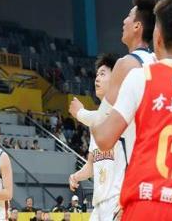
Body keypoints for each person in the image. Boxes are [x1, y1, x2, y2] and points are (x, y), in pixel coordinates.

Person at [92, 0, 172, 221]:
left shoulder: (138, 75)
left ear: (158, 36)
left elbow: (103, 137)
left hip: (144, 199)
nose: (124, 21)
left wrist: (90, 115)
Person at [70, 0, 157, 166]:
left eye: (129, 16)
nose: (124, 21)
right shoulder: (156, 61)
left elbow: (102, 125)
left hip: (140, 167)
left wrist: (80, 113)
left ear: (137, 26)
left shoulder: (126, 64)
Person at [69, 53, 123, 220]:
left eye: (102, 74)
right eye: (96, 75)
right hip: (98, 204)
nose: (96, 79)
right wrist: (76, 176)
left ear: (115, 79)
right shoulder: (95, 123)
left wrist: (80, 113)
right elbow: (92, 165)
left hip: (117, 201)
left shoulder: (123, 113)